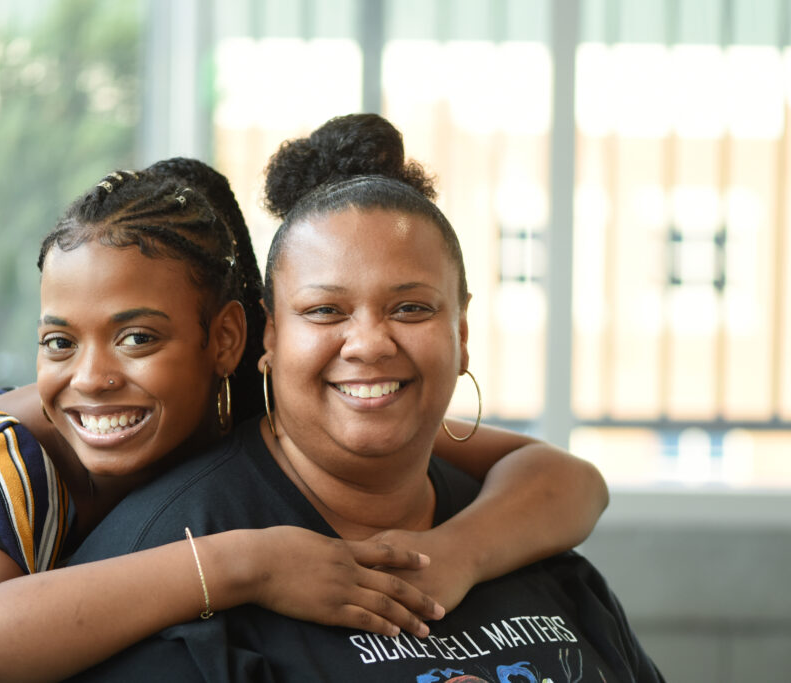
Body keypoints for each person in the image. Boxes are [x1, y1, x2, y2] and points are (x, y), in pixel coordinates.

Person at [0, 157, 606, 683]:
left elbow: (566, 479)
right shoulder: (0, 452)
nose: (93, 377)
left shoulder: (252, 404)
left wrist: (453, 555)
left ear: (229, 342)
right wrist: (245, 561)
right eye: (59, 340)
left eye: (138, 336)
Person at [66, 115, 663, 682]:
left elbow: (574, 479)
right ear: (269, 335)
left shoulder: (529, 542)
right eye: (325, 311)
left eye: (411, 308)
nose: (370, 345)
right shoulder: (168, 562)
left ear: (460, 335)